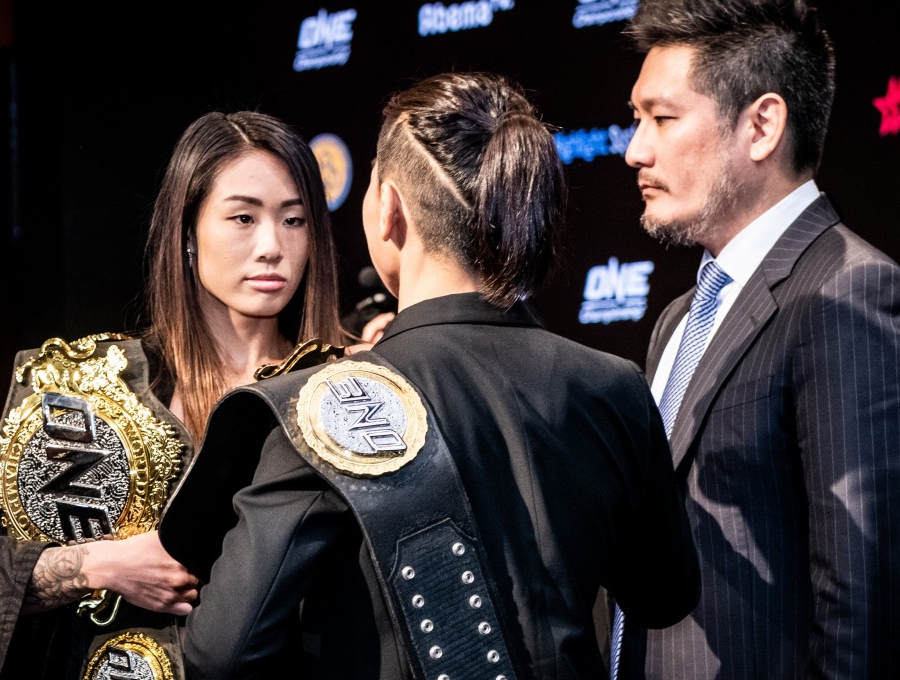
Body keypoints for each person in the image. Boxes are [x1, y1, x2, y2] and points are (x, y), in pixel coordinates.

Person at [159, 71, 700, 680]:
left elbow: (223, 648)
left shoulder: (329, 405)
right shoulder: (615, 385)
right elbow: (664, 595)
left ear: (388, 210)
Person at [0, 110, 346, 679]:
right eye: (242, 217)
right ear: (187, 232)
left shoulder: (343, 393)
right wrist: (98, 565)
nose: (272, 247)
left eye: (295, 220)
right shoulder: (92, 391)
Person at [612, 1, 900, 679]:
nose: (633, 150)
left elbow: (867, 614)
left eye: (662, 118)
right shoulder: (680, 318)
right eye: (636, 118)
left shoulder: (850, 293)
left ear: (761, 125)